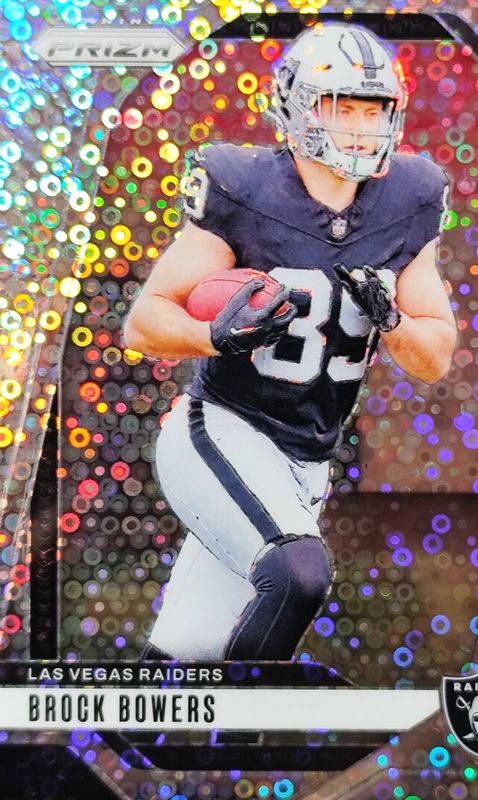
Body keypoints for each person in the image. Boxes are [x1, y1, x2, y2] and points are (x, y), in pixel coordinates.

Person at [124, 23, 457, 662]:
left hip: (308, 457)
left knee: (182, 659)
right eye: (341, 109)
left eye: (373, 110)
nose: (360, 128)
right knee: (296, 576)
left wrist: (392, 321)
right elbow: (145, 323)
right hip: (222, 429)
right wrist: (212, 336)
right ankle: (250, 725)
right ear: (299, 108)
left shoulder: (410, 197)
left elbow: (434, 355)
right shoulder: (243, 186)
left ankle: (153, 725)